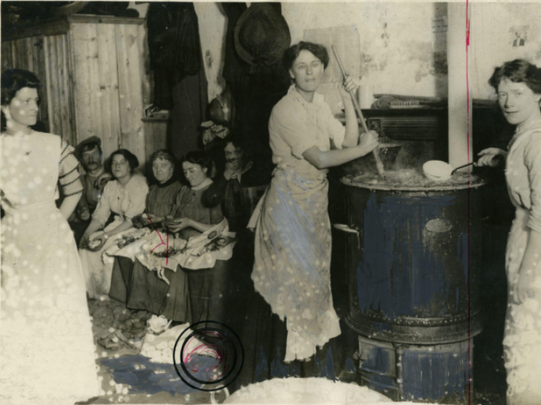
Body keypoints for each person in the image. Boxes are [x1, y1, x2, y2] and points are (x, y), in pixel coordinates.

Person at [250, 41, 380, 363]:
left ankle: (311, 366)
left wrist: (348, 99)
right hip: (288, 206)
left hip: (315, 203)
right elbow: (321, 158)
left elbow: (346, 141)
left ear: (323, 69)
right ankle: (289, 369)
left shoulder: (319, 105)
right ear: (290, 74)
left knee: (315, 281)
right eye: (301, 66)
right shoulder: (285, 110)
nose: (309, 71)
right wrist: (364, 150)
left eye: (315, 65)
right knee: (297, 285)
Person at [0, 69, 99, 403]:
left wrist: (54, 221)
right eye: (24, 100)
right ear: (4, 105)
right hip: (13, 235)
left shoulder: (53, 143)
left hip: (53, 235)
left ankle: (65, 385)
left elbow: (74, 189)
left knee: (58, 305)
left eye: (36, 101)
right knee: (20, 306)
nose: (34, 107)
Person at [477, 59, 541, 404]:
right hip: (526, 238)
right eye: (502, 94)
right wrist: (506, 157)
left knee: (526, 345)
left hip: (535, 247)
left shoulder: (536, 142)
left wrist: (528, 274)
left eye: (518, 92)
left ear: (539, 94)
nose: (508, 101)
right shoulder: (526, 135)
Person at [109, 149, 185, 319]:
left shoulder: (180, 189)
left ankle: (154, 307)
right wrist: (141, 220)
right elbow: (147, 216)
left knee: (143, 253)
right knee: (122, 249)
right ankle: (134, 302)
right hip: (153, 232)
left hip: (173, 235)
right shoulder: (153, 189)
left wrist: (158, 220)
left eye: (163, 166)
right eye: (155, 166)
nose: (158, 170)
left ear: (172, 168)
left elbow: (178, 220)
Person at [79, 148, 148, 299]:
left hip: (136, 228)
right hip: (116, 226)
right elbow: (100, 215)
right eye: (114, 163)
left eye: (122, 163)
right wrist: (87, 233)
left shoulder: (139, 184)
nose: (117, 166)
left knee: (108, 245)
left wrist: (105, 235)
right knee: (86, 245)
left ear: (130, 166)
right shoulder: (110, 186)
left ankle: (110, 293)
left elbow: (131, 220)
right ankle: (92, 292)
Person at [69, 136, 111, 244]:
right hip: (91, 224)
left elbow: (135, 177)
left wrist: (112, 175)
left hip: (111, 224)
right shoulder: (80, 181)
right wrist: (81, 212)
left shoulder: (114, 175)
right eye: (86, 156)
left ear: (101, 156)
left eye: (95, 154)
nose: (91, 159)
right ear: (82, 160)